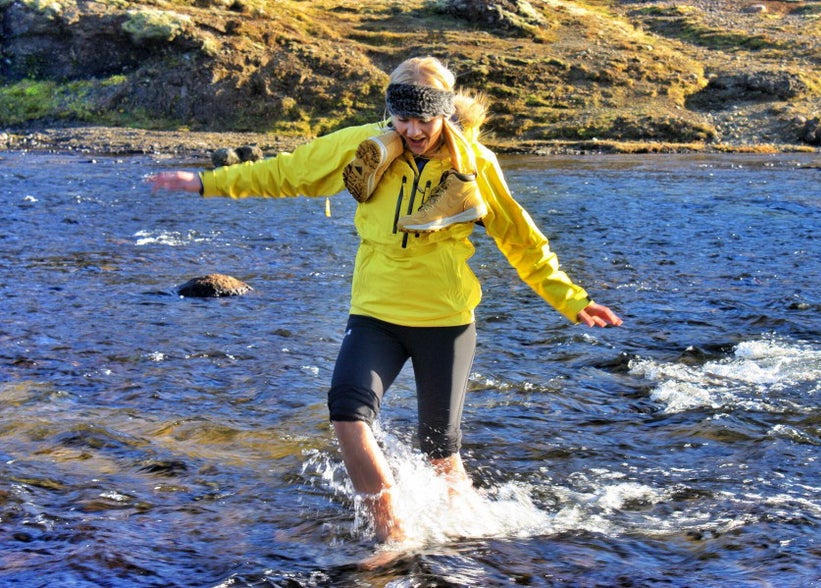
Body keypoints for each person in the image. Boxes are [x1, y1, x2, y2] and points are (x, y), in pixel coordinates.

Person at [147, 56, 623, 543]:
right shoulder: (362, 148)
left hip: (446, 320)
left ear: (444, 113)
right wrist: (204, 183)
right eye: (403, 119)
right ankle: (391, 533)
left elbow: (520, 238)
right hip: (375, 313)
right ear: (390, 113)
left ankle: (479, 535)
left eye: (424, 119)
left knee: (440, 452)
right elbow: (287, 172)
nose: (413, 130)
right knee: (347, 413)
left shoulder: (475, 164)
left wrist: (569, 298)